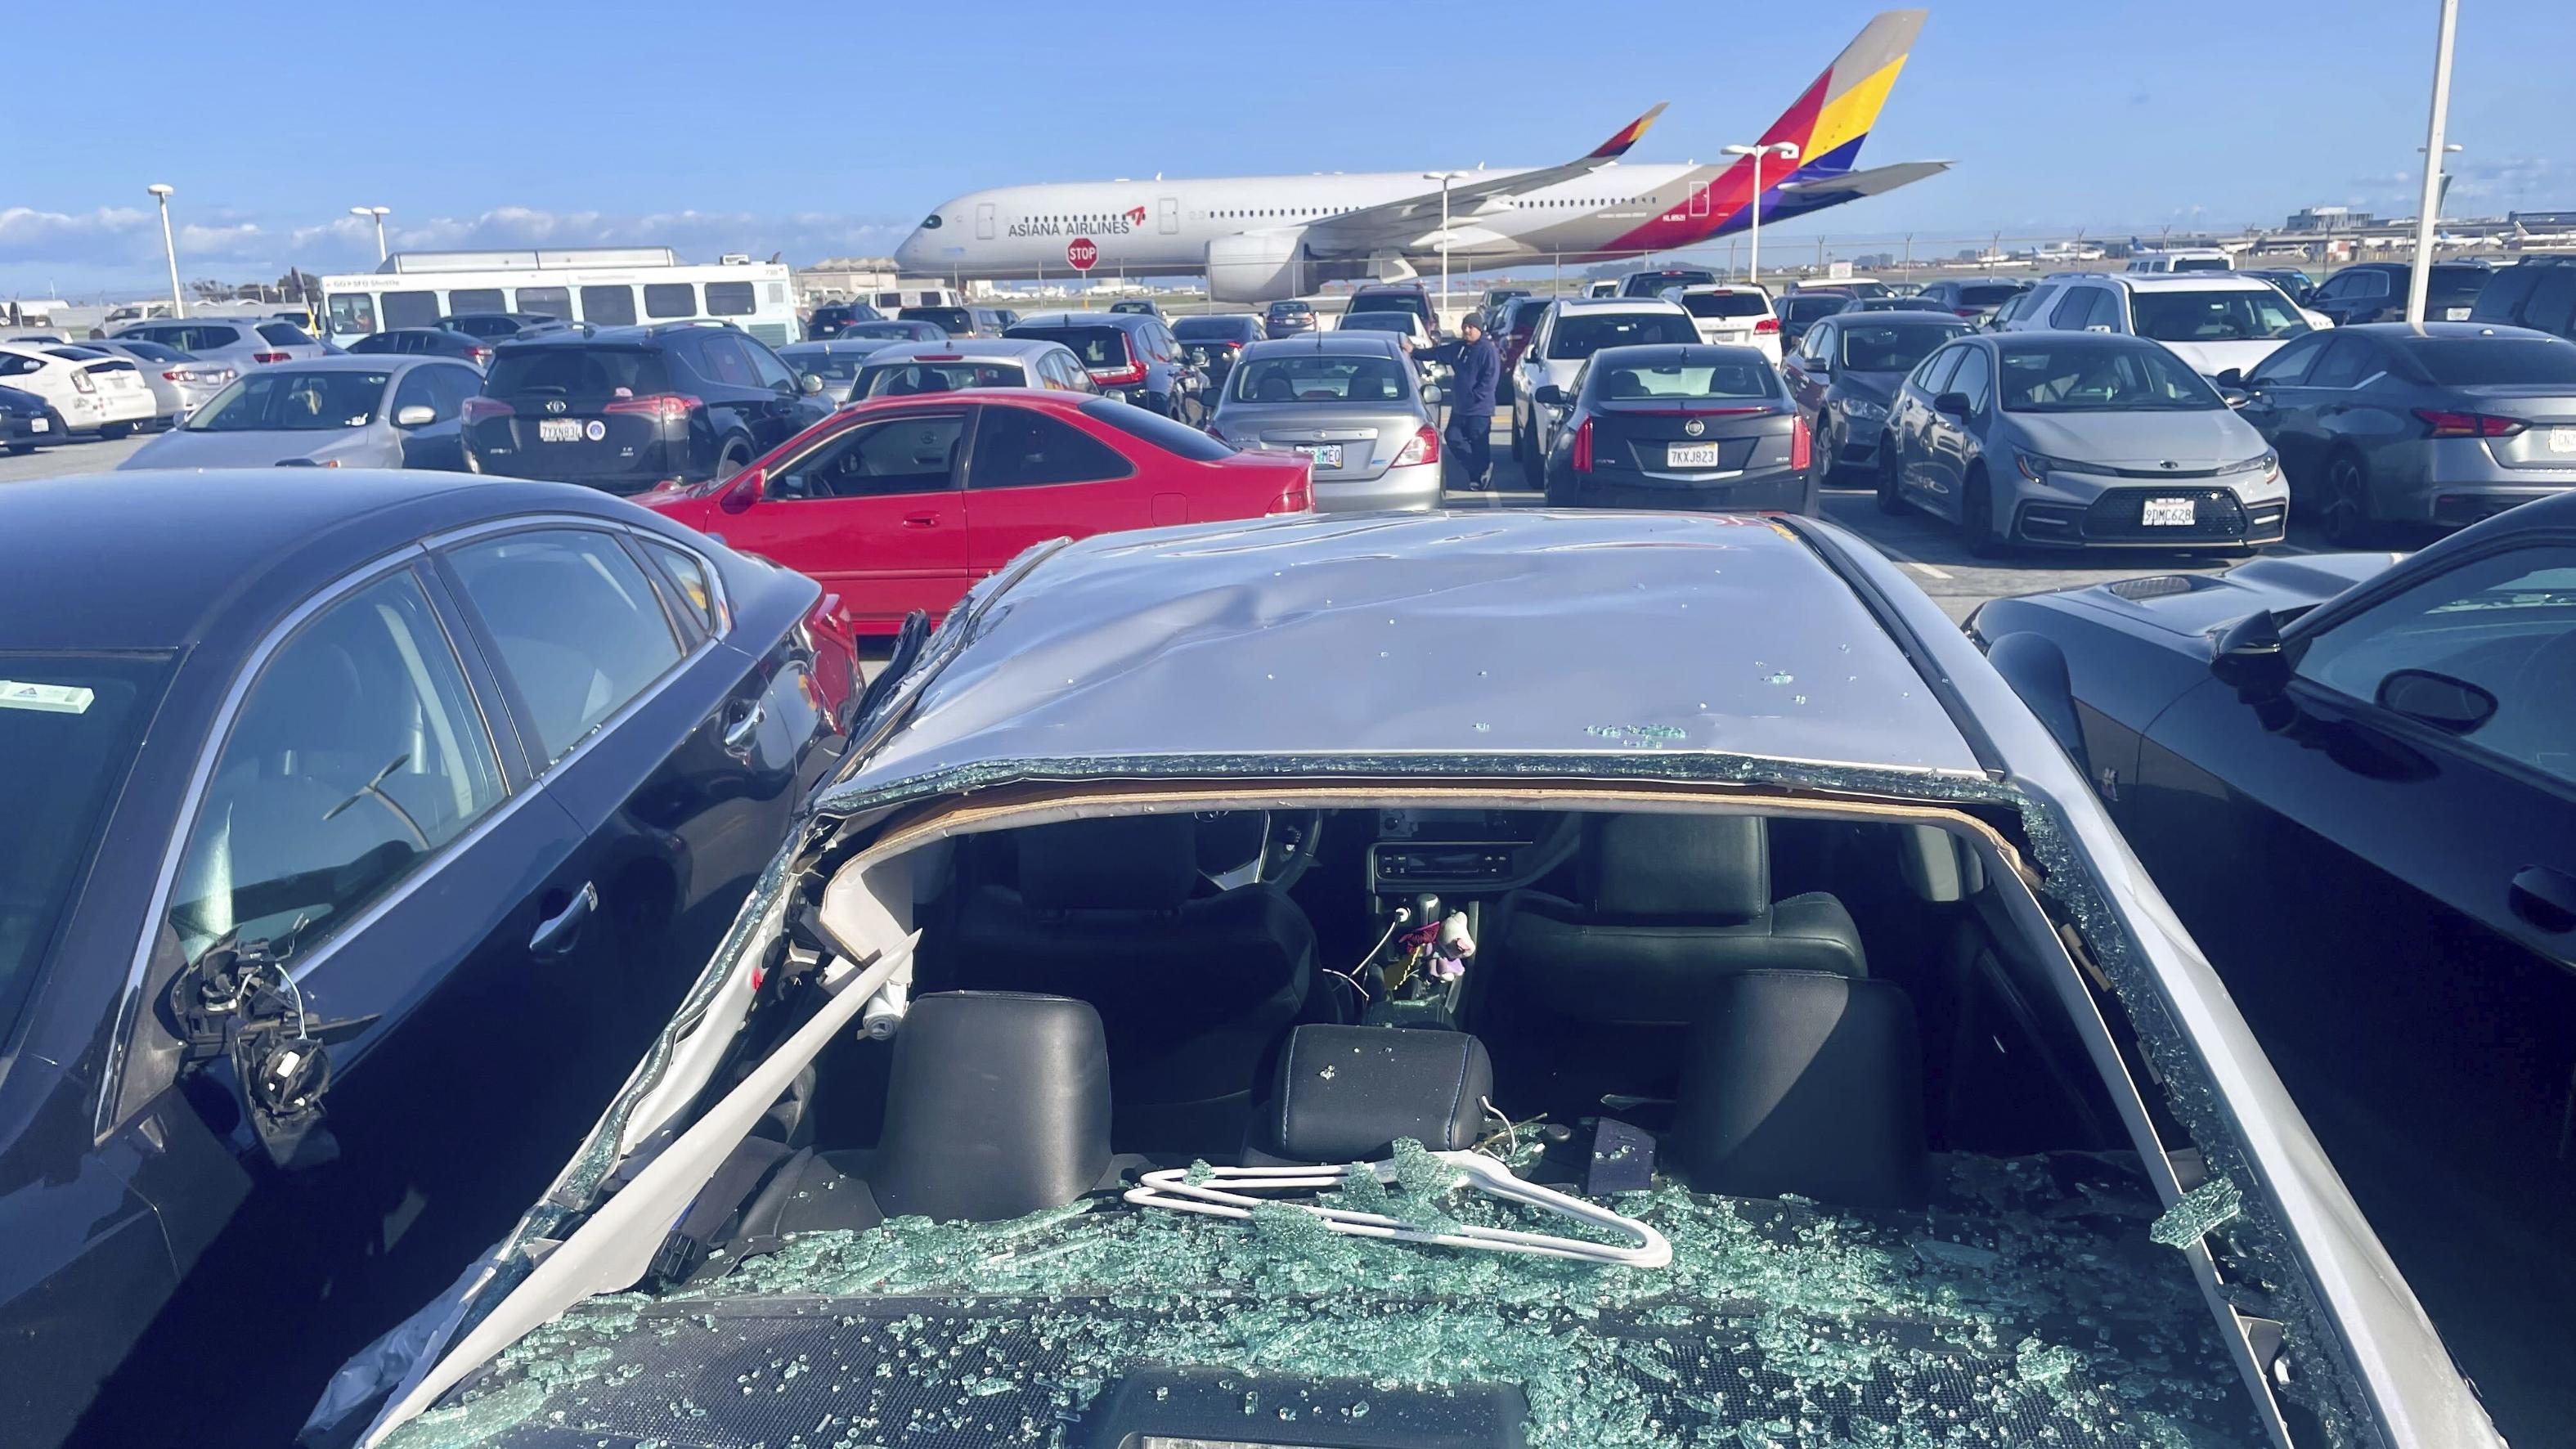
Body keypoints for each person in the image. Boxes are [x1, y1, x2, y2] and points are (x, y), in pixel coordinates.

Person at [1446, 316, 1499, 488]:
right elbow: (1437, 353)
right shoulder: (1460, 348)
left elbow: (1490, 378)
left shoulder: (1487, 350)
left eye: (1470, 327)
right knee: (1452, 437)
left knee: (1479, 444)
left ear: (1479, 329)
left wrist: (1475, 396)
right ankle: (1479, 469)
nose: (1466, 330)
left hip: (1479, 408)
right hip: (1460, 408)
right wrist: (1414, 352)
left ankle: (1477, 479)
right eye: (1464, 327)